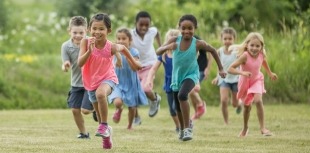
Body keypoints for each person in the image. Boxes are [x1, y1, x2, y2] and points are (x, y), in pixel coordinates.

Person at [156, 14, 226, 141]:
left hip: (191, 75)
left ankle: (188, 128)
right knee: (177, 106)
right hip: (177, 77)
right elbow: (158, 51)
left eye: (190, 28)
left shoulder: (198, 43)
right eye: (183, 28)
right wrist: (168, 47)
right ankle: (183, 130)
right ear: (179, 28)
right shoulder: (174, 40)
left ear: (195, 28)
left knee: (182, 95)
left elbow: (213, 50)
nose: (186, 31)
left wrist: (220, 68)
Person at [78, 13, 142, 149]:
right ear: (89, 29)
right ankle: (106, 135)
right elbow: (80, 63)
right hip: (91, 82)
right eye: (94, 28)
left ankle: (105, 125)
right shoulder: (85, 42)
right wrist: (89, 51)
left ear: (108, 31)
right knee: (99, 117)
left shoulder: (111, 47)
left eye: (101, 29)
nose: (97, 32)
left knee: (100, 94)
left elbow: (123, 48)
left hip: (108, 78)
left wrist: (134, 63)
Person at [227, 32, 278, 137]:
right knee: (247, 107)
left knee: (258, 101)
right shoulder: (244, 56)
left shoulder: (261, 54)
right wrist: (242, 73)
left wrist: (270, 73)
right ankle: (245, 128)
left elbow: (263, 62)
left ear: (261, 47)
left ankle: (263, 128)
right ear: (247, 45)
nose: (254, 48)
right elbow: (230, 69)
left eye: (257, 46)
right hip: (245, 83)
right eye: (252, 45)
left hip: (257, 80)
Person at [61, 16, 94, 139]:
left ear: (87, 31)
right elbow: (65, 62)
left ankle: (96, 109)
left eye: (81, 32)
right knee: (75, 110)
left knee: (85, 111)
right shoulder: (66, 46)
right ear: (69, 31)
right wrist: (65, 66)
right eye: (75, 32)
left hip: (90, 82)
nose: (78, 35)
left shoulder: (91, 43)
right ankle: (84, 133)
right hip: (76, 83)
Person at [108, 28, 148, 130]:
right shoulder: (114, 51)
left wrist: (127, 56)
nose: (121, 41)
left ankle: (130, 125)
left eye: (124, 38)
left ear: (130, 40)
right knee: (117, 102)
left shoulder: (133, 52)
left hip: (131, 83)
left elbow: (135, 68)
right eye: (119, 38)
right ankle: (119, 109)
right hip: (117, 82)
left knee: (132, 106)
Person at [146, 29, 181, 133]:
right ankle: (178, 126)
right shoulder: (164, 55)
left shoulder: (181, 54)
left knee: (177, 106)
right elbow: (153, 69)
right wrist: (149, 79)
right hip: (169, 84)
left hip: (180, 83)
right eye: (171, 40)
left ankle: (186, 124)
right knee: (172, 109)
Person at [130, 11, 162, 119]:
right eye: (141, 25)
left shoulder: (152, 31)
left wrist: (160, 47)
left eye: (147, 25)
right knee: (133, 92)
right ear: (136, 23)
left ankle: (154, 100)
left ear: (150, 24)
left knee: (146, 89)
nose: (144, 27)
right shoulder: (130, 34)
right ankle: (135, 117)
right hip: (135, 66)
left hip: (150, 65)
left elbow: (157, 32)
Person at [211, 27, 242, 125]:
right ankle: (226, 122)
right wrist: (217, 77)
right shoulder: (219, 51)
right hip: (224, 79)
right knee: (224, 100)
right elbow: (220, 66)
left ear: (234, 39)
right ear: (221, 39)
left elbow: (241, 64)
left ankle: (239, 104)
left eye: (230, 39)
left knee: (234, 103)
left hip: (236, 79)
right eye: (225, 39)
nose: (227, 41)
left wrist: (242, 75)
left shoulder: (237, 51)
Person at [189, 35, 212, 120]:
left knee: (191, 90)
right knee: (191, 92)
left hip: (200, 69)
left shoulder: (196, 39)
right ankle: (197, 112)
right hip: (190, 70)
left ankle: (200, 104)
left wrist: (208, 68)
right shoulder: (180, 41)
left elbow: (210, 51)